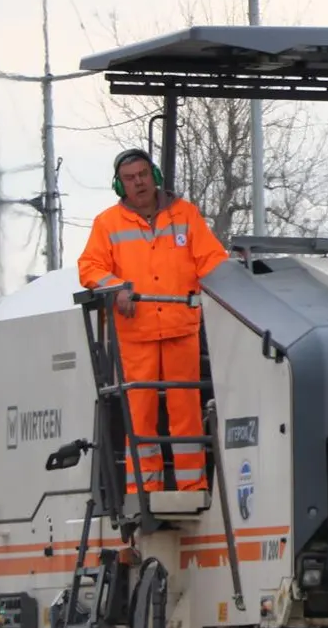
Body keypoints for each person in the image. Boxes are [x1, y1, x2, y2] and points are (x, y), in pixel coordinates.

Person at [76, 148, 229, 492]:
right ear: (120, 185)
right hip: (135, 334)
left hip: (180, 328)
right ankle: (145, 491)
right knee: (140, 415)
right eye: (130, 179)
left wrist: (234, 283)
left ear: (155, 176)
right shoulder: (107, 224)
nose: (138, 183)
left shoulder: (185, 215)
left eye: (143, 175)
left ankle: (191, 489)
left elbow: (211, 259)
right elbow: (90, 268)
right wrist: (116, 288)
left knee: (186, 413)